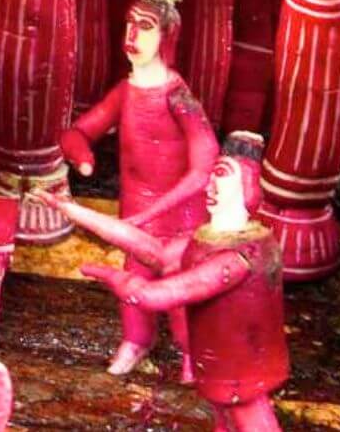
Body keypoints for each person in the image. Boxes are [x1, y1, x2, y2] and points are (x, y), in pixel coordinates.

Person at [34, 132, 287, 431]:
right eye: (211, 175)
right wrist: (71, 209)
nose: (210, 185)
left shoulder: (240, 256)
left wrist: (121, 281)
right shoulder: (208, 240)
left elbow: (162, 294)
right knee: (224, 423)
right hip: (220, 369)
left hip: (242, 374)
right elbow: (153, 251)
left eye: (221, 175)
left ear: (245, 184)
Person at [58, 0, 219, 381]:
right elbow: (78, 131)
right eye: (130, 25)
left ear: (166, 37)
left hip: (178, 221)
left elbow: (204, 167)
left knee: (181, 288)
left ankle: (190, 353)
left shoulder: (177, 96)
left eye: (145, 27)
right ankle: (136, 341)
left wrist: (156, 211)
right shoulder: (126, 92)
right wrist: (82, 159)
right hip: (135, 215)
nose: (133, 35)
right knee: (133, 285)